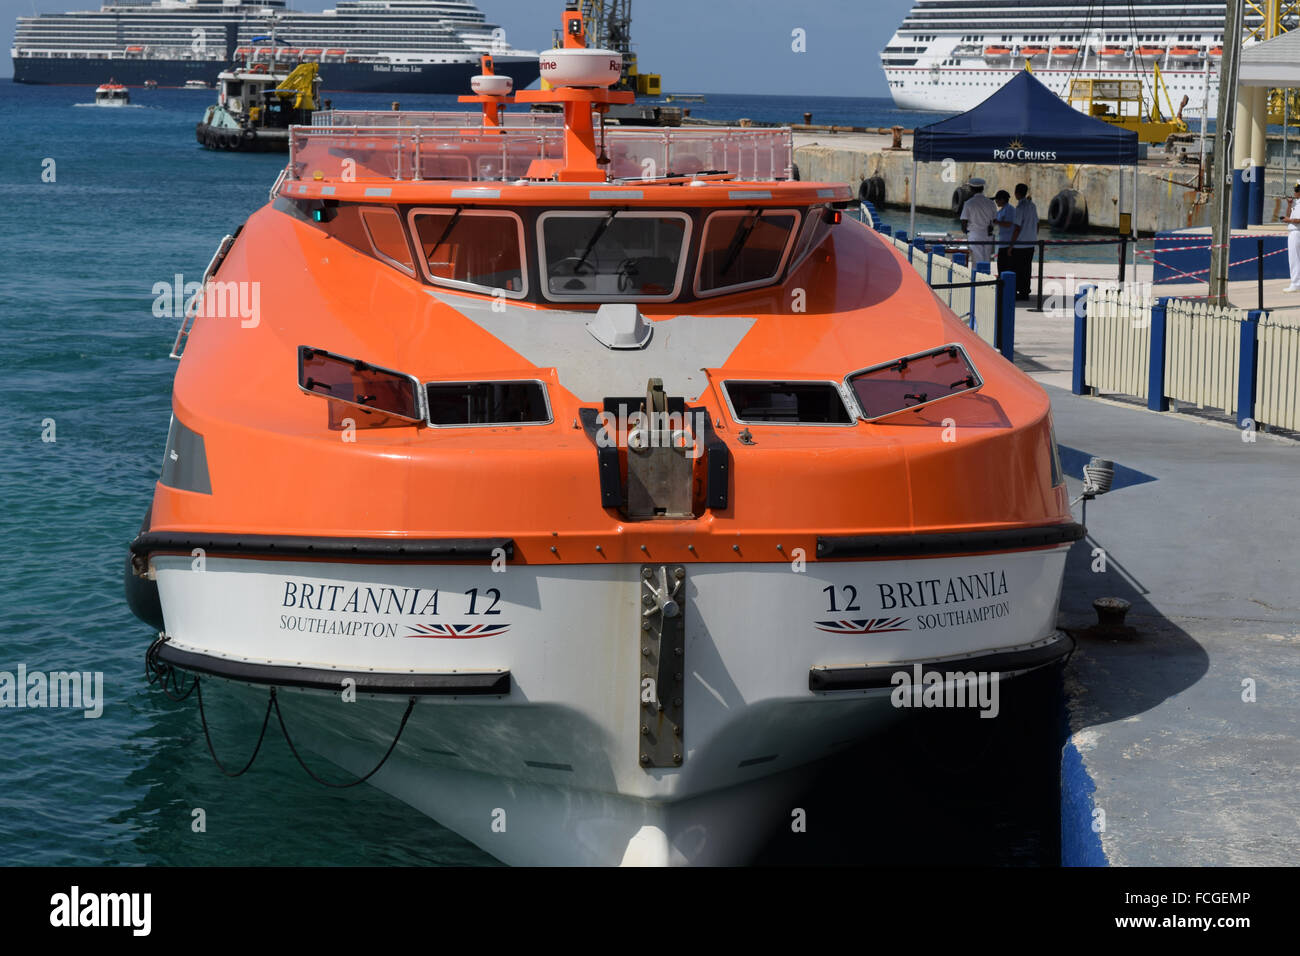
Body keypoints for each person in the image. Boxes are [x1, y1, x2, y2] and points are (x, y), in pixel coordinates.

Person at [959, 177, 997, 268]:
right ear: (982, 189)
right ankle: (986, 279)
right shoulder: (991, 203)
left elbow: (964, 221)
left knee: (977, 260)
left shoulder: (968, 203)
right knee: (986, 260)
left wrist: (966, 232)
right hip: (988, 235)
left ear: (971, 189)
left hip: (975, 235)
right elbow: (994, 220)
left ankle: (977, 280)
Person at [1011, 183, 1039, 300]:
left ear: (1016, 193)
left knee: (1017, 268)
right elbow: (1037, 224)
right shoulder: (1032, 206)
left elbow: (1017, 228)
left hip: (1020, 244)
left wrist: (1011, 245)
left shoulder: (1019, 208)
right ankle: (1025, 291)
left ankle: (1019, 291)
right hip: (1031, 243)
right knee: (1027, 268)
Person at [993, 189, 1016, 278]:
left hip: (1008, 243)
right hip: (1002, 243)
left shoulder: (1009, 210)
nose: (996, 201)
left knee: (1006, 267)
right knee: (1001, 267)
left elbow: (1009, 224)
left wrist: (997, 222)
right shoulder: (1002, 210)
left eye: (997, 199)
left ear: (1002, 199)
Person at [1282, 180, 1300, 293]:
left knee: (1294, 258)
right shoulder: (1296, 203)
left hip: (1297, 232)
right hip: (1294, 231)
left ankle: (1295, 283)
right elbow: (1288, 215)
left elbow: (1296, 219)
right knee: (1295, 258)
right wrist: (1289, 205)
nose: (1294, 192)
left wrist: (1289, 220)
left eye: (1297, 190)